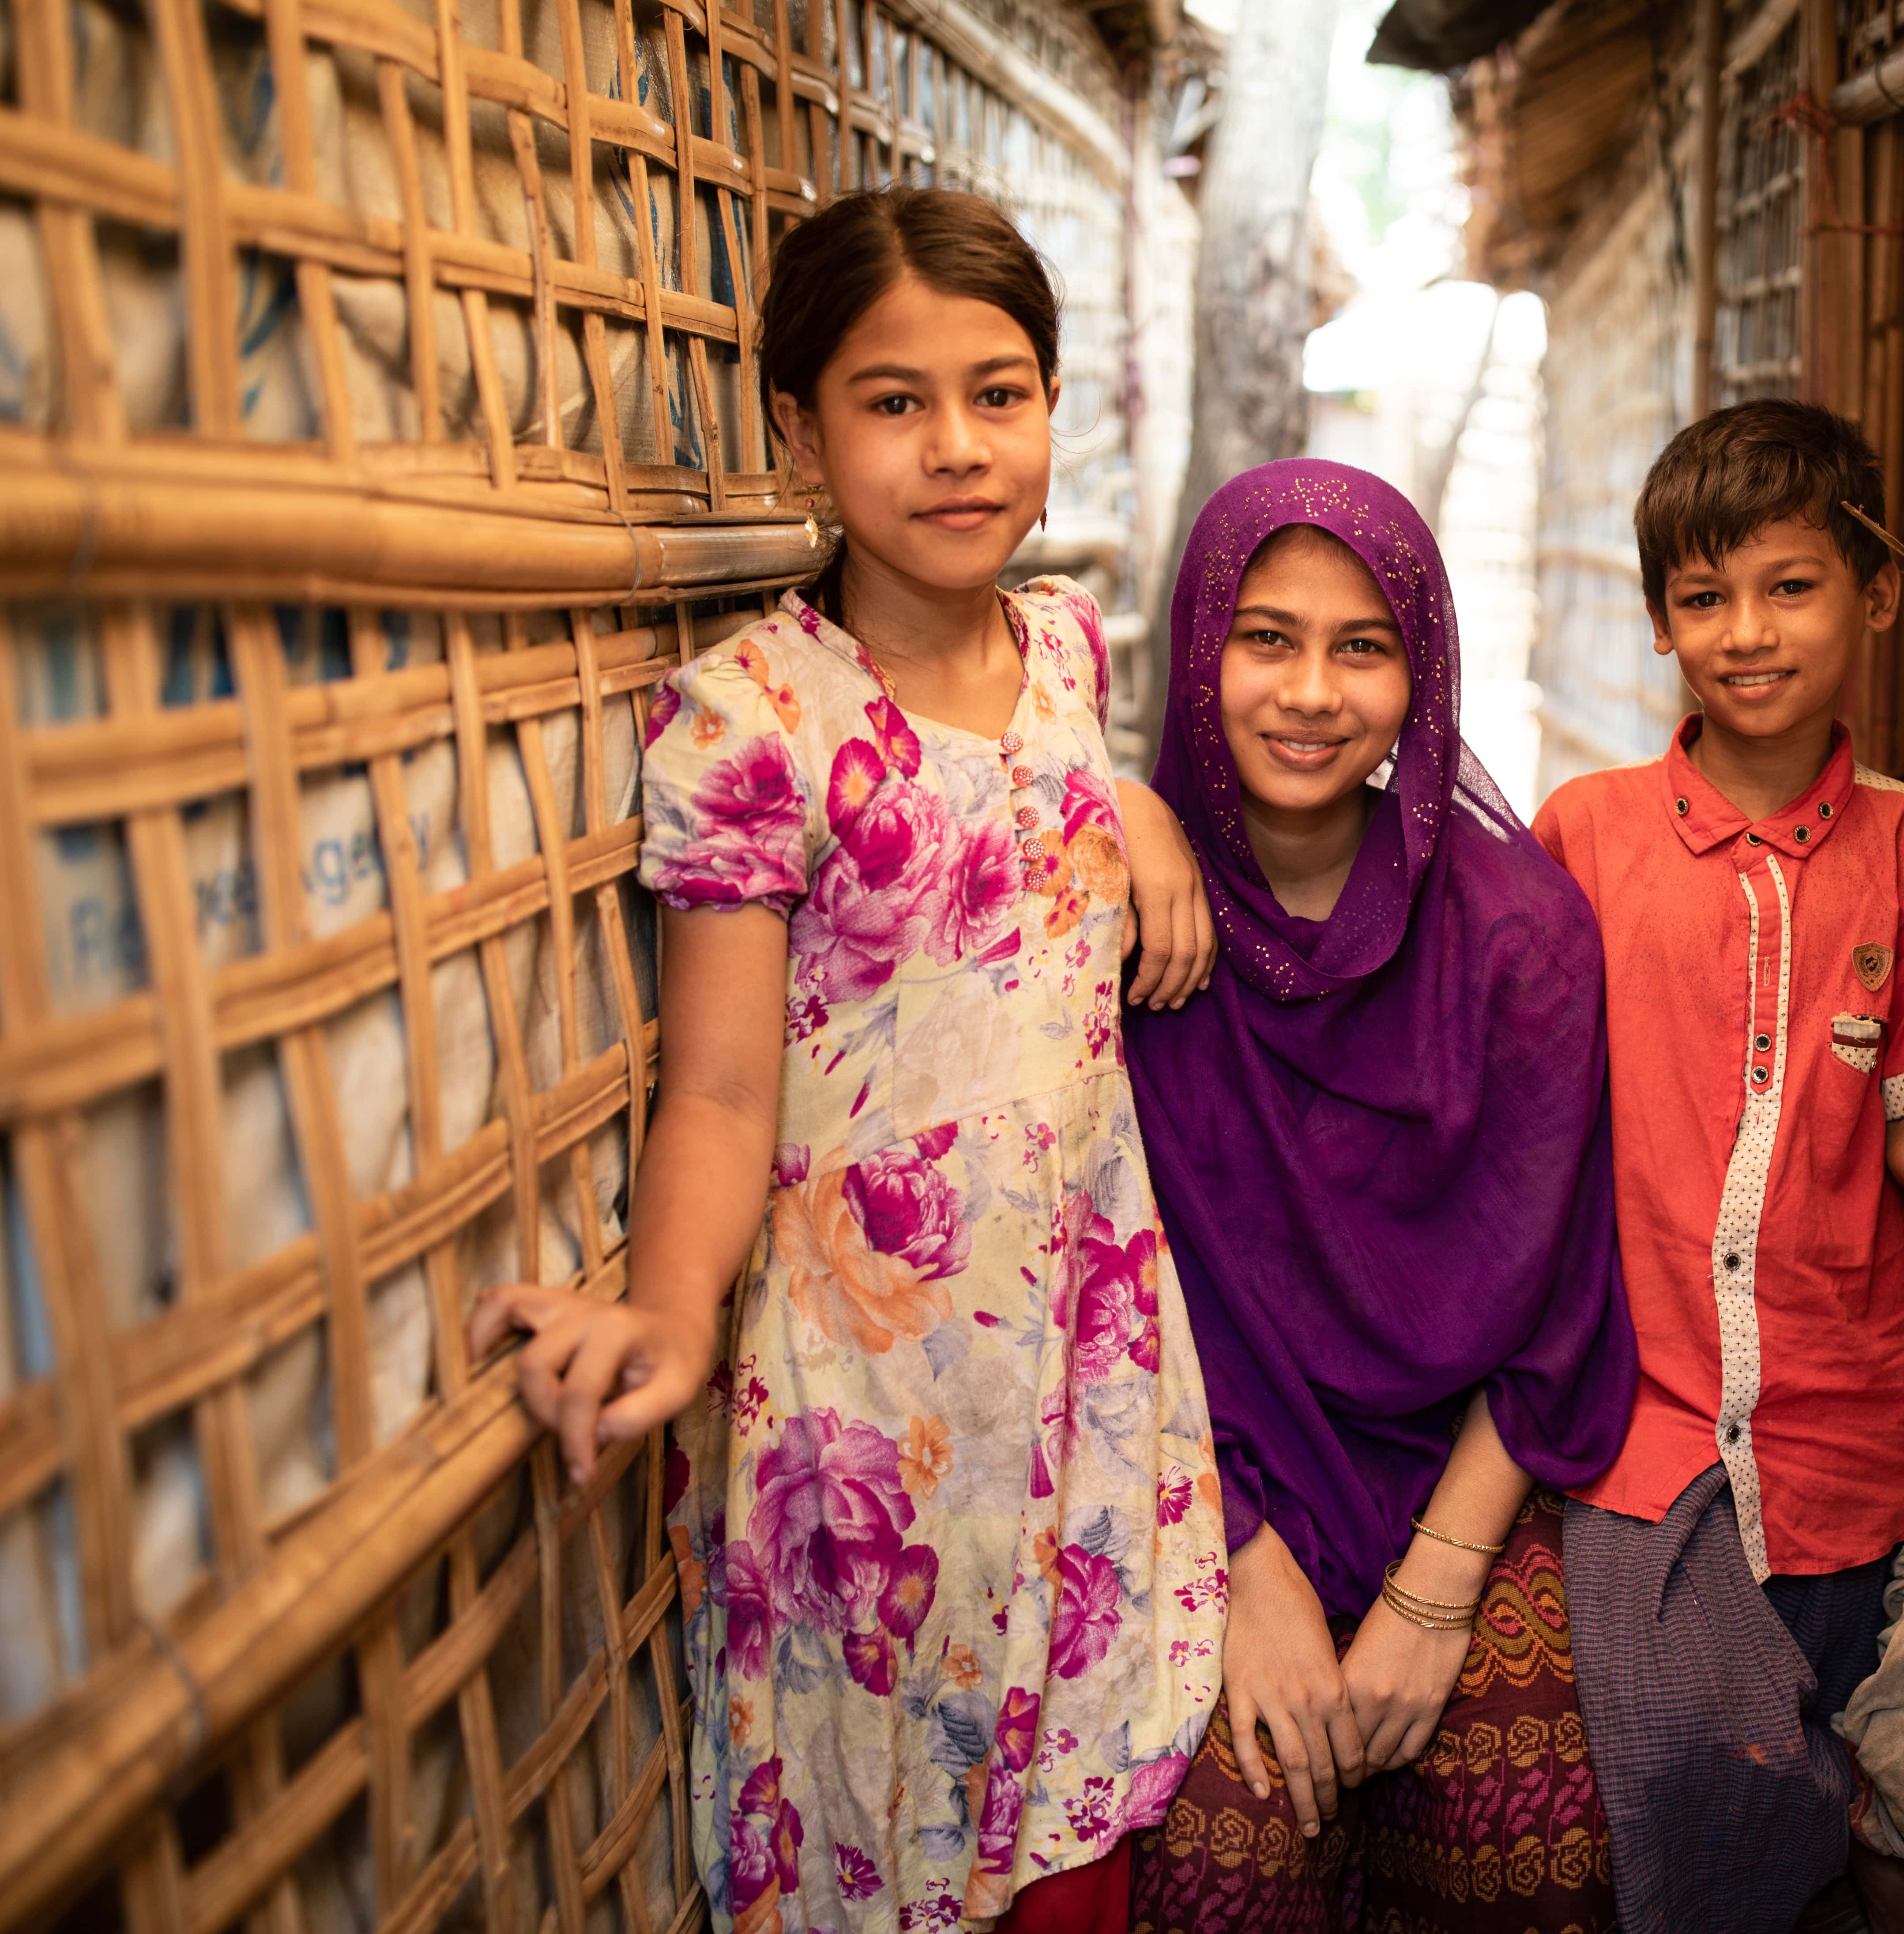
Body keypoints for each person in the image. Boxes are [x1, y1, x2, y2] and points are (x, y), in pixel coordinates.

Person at [464, 188, 1228, 1934]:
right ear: (800, 430)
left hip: (1083, 1357)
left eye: (1000, 391)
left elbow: (1035, 800)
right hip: (871, 1409)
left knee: (1073, 1838)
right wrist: (665, 1311)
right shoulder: (754, 724)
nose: (956, 448)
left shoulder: (1064, 647)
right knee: (882, 1837)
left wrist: (1137, 802)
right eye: (894, 403)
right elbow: (724, 1093)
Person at [1531, 400, 1904, 1934]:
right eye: (1704, 599)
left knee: (1819, 1749)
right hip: (1641, 1414)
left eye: (1790, 586)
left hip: (1851, 1429)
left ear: (1875, 594)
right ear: (1658, 625)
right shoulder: (1585, 836)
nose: (1746, 634)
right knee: (1690, 1768)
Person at [1122, 460, 1637, 1931]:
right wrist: (1239, 1558)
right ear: (1201, 646)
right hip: (1204, 1469)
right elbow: (1097, 1287)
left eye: (1365, 646)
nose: (1311, 691)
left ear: (1424, 673)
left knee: (1528, 1833)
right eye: (1266, 636)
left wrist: (1432, 1599)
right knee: (1226, 1857)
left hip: (1455, 1472)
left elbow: (1552, 1313)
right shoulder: (1112, 922)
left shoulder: (1521, 939)